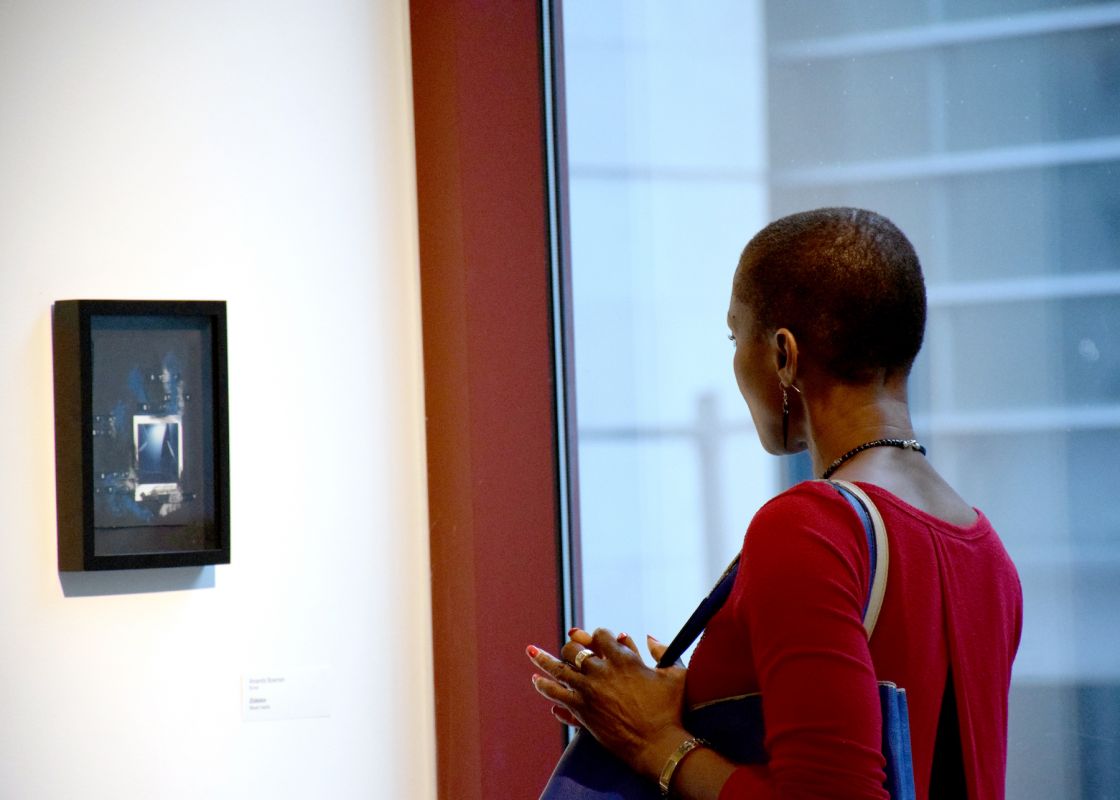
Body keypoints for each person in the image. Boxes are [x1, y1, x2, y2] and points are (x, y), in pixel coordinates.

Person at [527, 208, 1023, 799]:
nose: (736, 361)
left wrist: (652, 739)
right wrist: (704, 698)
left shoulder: (810, 527)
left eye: (735, 338)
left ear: (784, 354)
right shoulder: (989, 556)